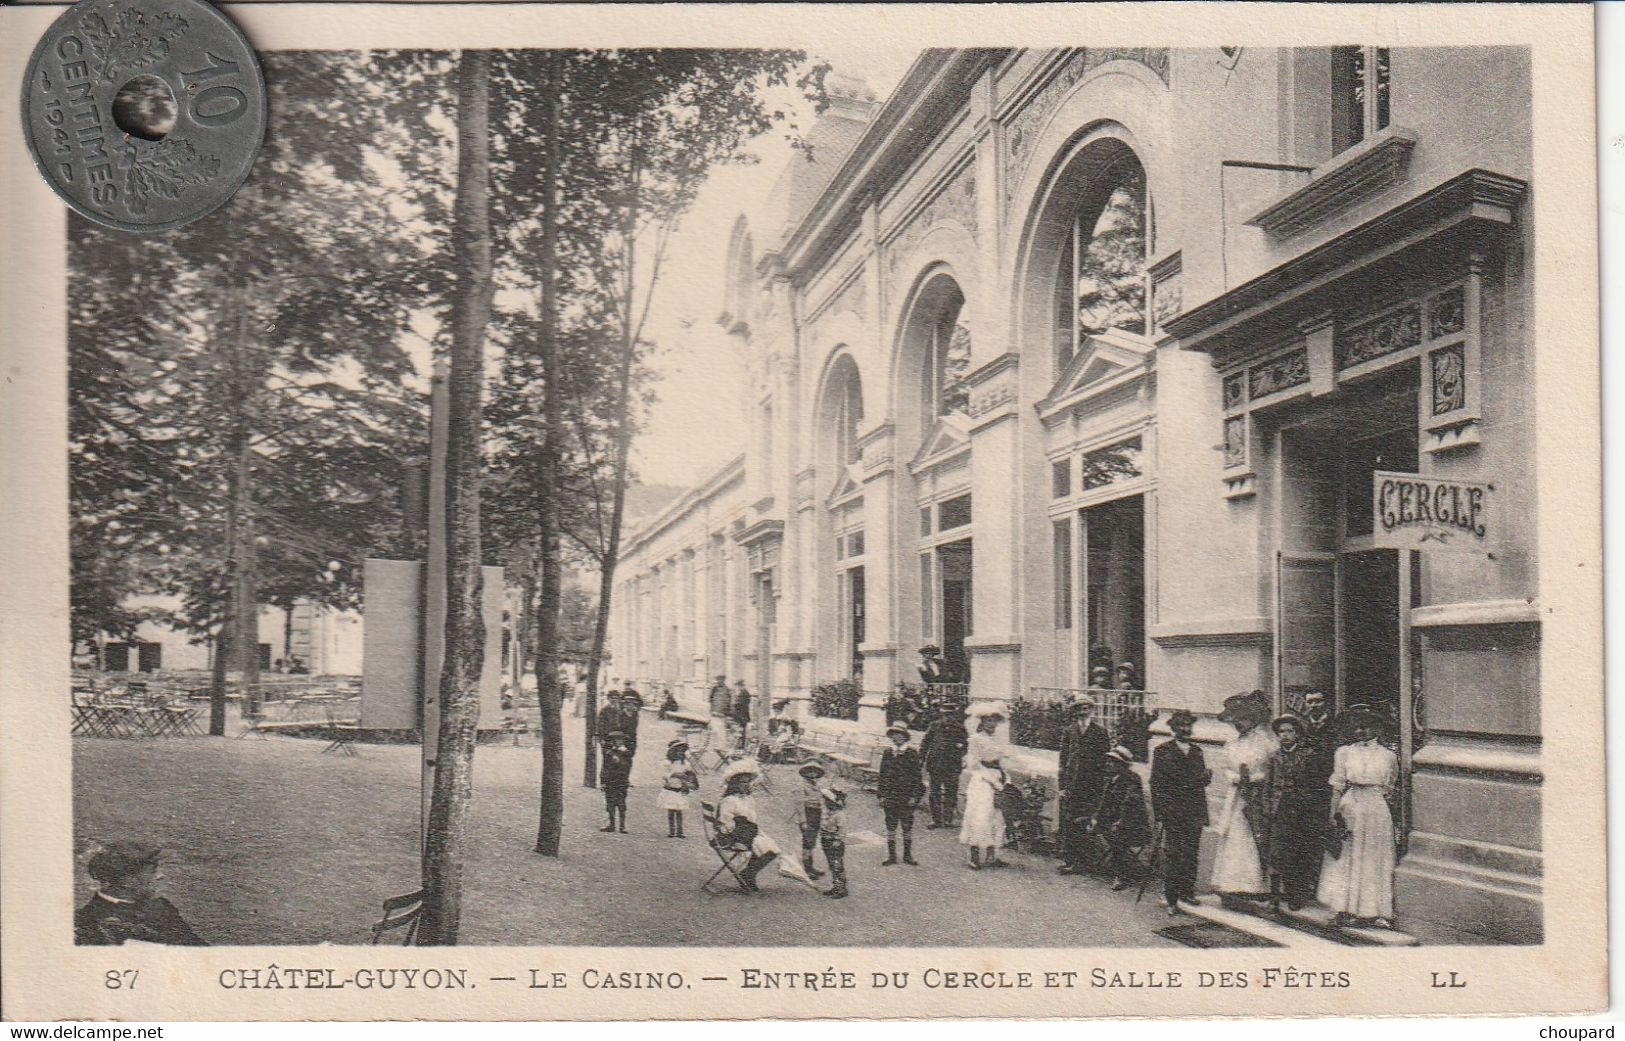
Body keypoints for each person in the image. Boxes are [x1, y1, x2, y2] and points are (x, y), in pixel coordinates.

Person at [1318, 705, 1399, 928]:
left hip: (1375, 809)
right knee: (1347, 857)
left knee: (1374, 857)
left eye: (1367, 725)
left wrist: (1377, 802)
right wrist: (1333, 814)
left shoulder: (1389, 756)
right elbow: (1337, 784)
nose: (1361, 730)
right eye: (1357, 726)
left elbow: (1389, 786)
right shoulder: (1344, 752)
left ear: (1378, 728)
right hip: (1351, 805)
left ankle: (1374, 911)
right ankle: (1343, 909)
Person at [1210, 690, 1278, 907]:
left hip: (1257, 795)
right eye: (1236, 720)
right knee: (1234, 835)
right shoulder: (1232, 743)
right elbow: (1226, 768)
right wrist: (1237, 778)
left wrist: (1255, 779)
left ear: (1253, 719)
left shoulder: (1265, 742)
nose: (1239, 724)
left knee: (1253, 834)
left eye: (1243, 719)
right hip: (1237, 794)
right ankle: (1231, 885)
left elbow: (1272, 769)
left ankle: (1254, 887)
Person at [76, 842, 206, 946]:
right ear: (127, 881)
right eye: (153, 871)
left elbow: (199, 949)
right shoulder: (89, 923)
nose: (160, 876)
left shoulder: (162, 907)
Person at [1151, 709, 1211, 915]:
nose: (1186, 729)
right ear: (1173, 728)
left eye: (1188, 725)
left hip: (1194, 810)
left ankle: (1187, 891)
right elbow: (1156, 785)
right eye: (1181, 726)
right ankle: (1171, 898)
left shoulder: (1197, 751)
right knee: (1173, 855)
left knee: (1191, 853)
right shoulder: (1162, 751)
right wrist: (1160, 813)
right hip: (1173, 811)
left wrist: (1206, 778)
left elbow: (1199, 783)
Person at [1266, 714, 1328, 912]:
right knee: (1276, 853)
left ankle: (1295, 894)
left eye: (1289, 731)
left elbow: (1317, 786)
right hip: (1279, 810)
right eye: (1281, 732)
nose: (1285, 736)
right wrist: (1268, 808)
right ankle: (1274, 896)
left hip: (1302, 811)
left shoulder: (1308, 755)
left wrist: (1313, 809)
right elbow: (1268, 785)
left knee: (1299, 852)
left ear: (1297, 734)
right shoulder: (1274, 756)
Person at [1056, 697, 1111, 875]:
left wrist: (1102, 785)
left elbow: (1105, 761)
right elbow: (1063, 760)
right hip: (1072, 786)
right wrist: (1062, 786)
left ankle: (1088, 861)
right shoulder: (1069, 731)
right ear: (1075, 711)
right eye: (1080, 708)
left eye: (1087, 708)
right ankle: (1071, 861)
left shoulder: (1100, 732)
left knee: (1086, 822)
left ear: (1092, 711)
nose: (1083, 711)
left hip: (1091, 785)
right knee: (1070, 823)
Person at [716, 761, 781, 893]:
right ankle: (748, 875)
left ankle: (749, 872)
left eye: (747, 782)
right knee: (765, 847)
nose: (746, 785)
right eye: (742, 782)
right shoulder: (729, 800)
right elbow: (724, 821)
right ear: (734, 784)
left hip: (747, 832)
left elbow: (752, 819)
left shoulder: (748, 799)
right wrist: (738, 831)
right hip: (732, 835)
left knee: (772, 849)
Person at [1092, 745, 1151, 890]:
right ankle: (1085, 863)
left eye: (1113, 761)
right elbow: (1103, 802)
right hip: (1112, 821)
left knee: (1118, 836)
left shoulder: (1132, 779)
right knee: (1079, 823)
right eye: (1109, 761)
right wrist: (1094, 819)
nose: (1109, 764)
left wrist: (1120, 822)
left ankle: (1121, 876)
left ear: (1122, 764)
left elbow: (1129, 803)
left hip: (1132, 824)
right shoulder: (1110, 779)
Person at [959, 705, 1008, 870]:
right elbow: (974, 764)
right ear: (982, 721)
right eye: (988, 720)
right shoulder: (975, 739)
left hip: (997, 779)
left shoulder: (999, 740)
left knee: (996, 817)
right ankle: (974, 857)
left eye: (994, 720)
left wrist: (1005, 778)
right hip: (982, 781)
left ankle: (992, 856)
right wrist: (993, 781)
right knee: (979, 816)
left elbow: (1001, 761)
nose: (991, 723)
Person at [877, 722, 924, 866]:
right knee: (891, 825)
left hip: (906, 795)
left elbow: (917, 776)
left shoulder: (911, 753)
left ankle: (907, 855)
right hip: (891, 794)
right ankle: (892, 856)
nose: (896, 738)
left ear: (905, 737)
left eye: (899, 735)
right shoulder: (888, 752)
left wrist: (915, 796)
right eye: (893, 735)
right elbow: (882, 775)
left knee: (906, 825)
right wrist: (882, 795)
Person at [919, 703, 969, 828]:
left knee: (951, 792)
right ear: (941, 715)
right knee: (934, 792)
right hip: (936, 764)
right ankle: (936, 819)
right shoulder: (934, 726)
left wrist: (962, 755)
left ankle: (948, 819)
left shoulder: (960, 728)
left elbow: (966, 745)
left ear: (954, 715)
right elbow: (925, 743)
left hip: (952, 766)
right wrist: (921, 758)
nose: (948, 717)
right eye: (945, 715)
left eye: (950, 715)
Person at [794, 762, 829, 881]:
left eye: (815, 772)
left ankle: (811, 867)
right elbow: (799, 805)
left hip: (816, 814)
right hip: (807, 814)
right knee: (807, 843)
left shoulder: (817, 785)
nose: (812, 774)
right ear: (805, 773)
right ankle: (807, 868)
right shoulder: (801, 786)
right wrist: (803, 821)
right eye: (810, 771)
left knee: (812, 842)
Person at [660, 738, 699, 838]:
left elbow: (690, 774)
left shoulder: (685, 764)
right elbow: (664, 775)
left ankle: (680, 831)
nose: (680, 753)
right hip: (671, 789)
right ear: (672, 752)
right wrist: (674, 774)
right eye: (677, 751)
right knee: (671, 810)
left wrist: (688, 781)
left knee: (679, 810)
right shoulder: (668, 763)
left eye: (682, 751)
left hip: (680, 789)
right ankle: (672, 831)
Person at [817, 786, 851, 899]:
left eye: (827, 801)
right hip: (826, 840)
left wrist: (838, 840)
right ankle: (836, 886)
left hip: (834, 842)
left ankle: (842, 888)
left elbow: (842, 830)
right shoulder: (828, 812)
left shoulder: (839, 815)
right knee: (831, 865)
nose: (825, 803)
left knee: (837, 865)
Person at [599, 731, 633, 834]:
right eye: (615, 740)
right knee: (610, 803)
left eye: (620, 740)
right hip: (610, 781)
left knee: (621, 803)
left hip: (621, 781)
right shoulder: (608, 753)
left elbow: (627, 767)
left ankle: (622, 825)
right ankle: (611, 824)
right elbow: (604, 768)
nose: (617, 742)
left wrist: (626, 779)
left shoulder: (627, 753)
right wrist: (603, 781)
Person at [707, 675, 732, 751]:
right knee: (714, 730)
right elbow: (710, 699)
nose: (719, 681)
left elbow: (728, 702)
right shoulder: (714, 689)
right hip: (714, 713)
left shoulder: (727, 690)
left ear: (723, 680)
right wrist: (712, 710)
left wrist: (726, 713)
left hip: (722, 714)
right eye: (718, 680)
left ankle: (722, 746)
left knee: (721, 731)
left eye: (720, 680)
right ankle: (715, 745)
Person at [730, 680, 753, 748]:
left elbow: (739, 704)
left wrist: (733, 705)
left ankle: (741, 744)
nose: (738, 687)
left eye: (738, 686)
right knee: (741, 730)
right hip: (742, 714)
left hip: (741, 715)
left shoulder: (744, 693)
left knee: (741, 730)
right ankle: (740, 744)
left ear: (741, 686)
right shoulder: (743, 692)